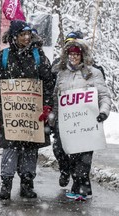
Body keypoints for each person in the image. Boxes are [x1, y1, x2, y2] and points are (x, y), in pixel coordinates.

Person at [0, 20, 55, 200]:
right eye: (22, 34)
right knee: (11, 148)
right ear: (14, 36)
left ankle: (27, 183)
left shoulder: (38, 55)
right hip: (10, 113)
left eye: (28, 34)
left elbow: (48, 83)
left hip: (33, 113)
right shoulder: (4, 56)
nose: (26, 38)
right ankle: (6, 184)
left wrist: (47, 105)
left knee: (30, 149)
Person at [51, 39, 111, 201]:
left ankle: (81, 189)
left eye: (77, 54)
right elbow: (56, 99)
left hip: (87, 122)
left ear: (83, 56)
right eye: (71, 54)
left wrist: (104, 112)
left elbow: (104, 96)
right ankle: (83, 187)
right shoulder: (62, 73)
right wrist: (52, 119)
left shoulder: (93, 73)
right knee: (62, 151)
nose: (74, 57)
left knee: (83, 157)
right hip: (67, 123)